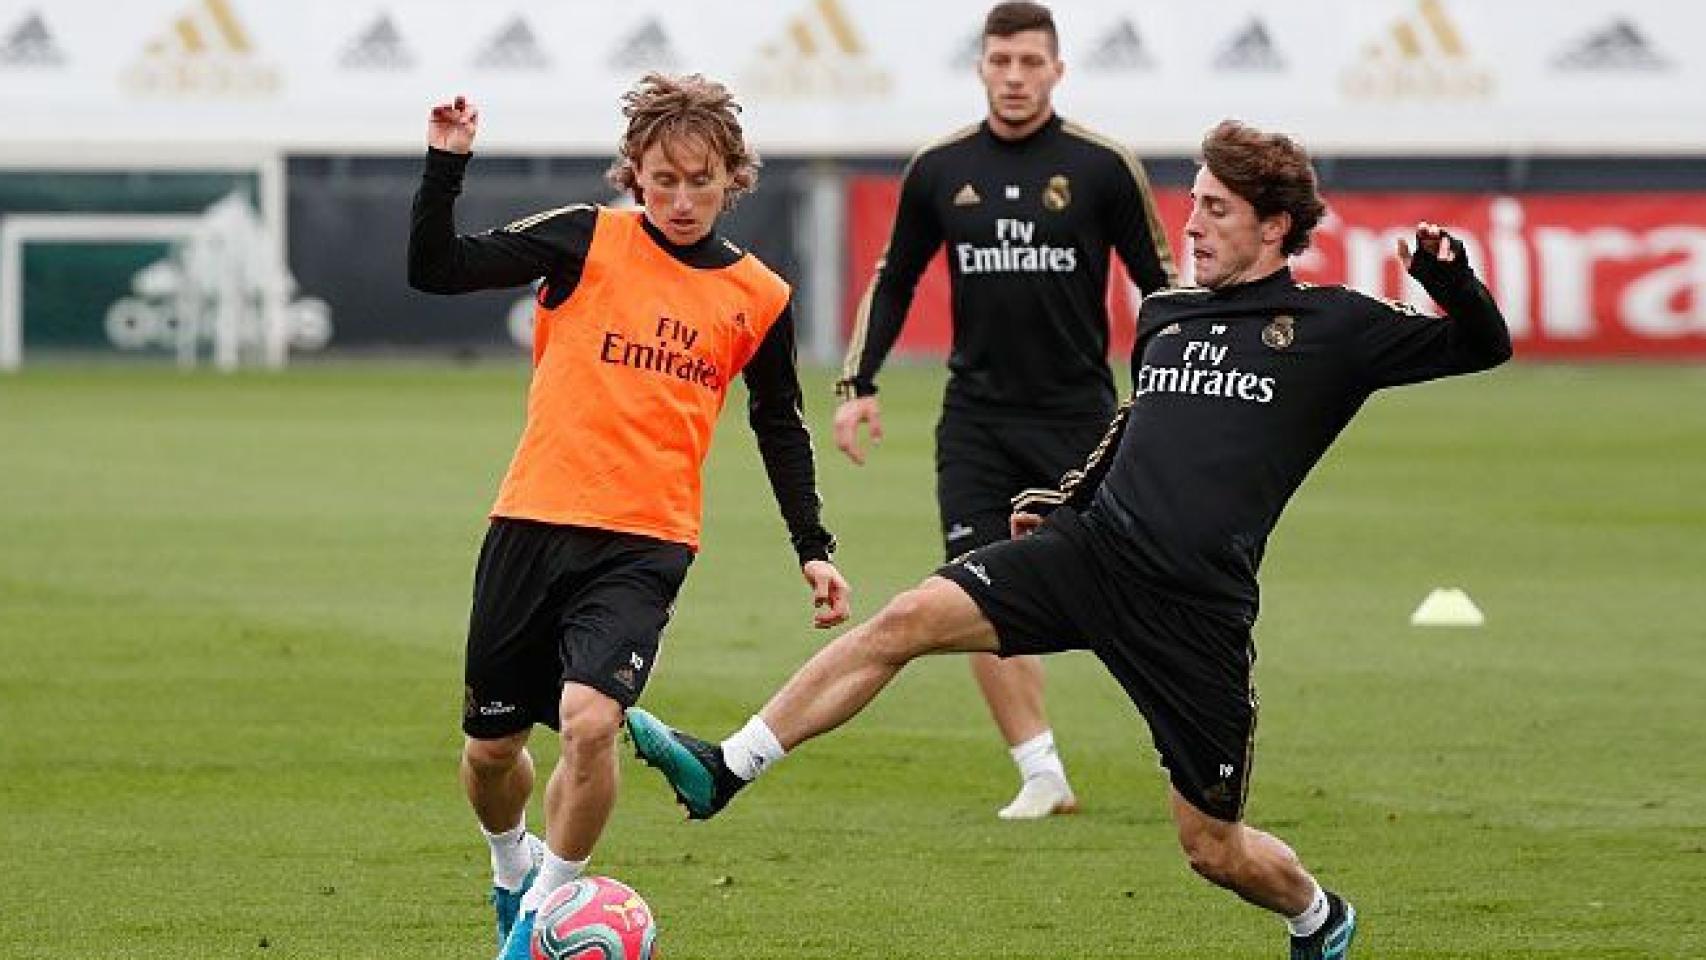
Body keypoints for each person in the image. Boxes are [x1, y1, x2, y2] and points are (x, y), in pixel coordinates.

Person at [627, 118, 1513, 959]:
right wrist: (1065, 498)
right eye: (1194, 200)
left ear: (1276, 224)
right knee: (905, 619)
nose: (1191, 224)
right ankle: (726, 768)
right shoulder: (1168, 313)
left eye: (1216, 209)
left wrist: (1447, 277)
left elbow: (1483, 346)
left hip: (1194, 610)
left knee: (1213, 848)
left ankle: (1320, 915)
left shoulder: (1334, 328)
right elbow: (1140, 423)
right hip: (1090, 552)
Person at [406, 74, 851, 960]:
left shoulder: (759, 295)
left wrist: (814, 546)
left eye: (701, 180)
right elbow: (436, 269)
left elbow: (779, 426)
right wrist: (444, 165)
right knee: (491, 752)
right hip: (531, 523)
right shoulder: (584, 239)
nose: (682, 200)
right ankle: (509, 867)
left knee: (588, 720)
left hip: (647, 543)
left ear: (734, 176)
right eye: (663, 181)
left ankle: (542, 917)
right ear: (633, 175)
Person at [834, 0, 1175, 819]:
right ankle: (1040, 770)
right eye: (1000, 62)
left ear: (1057, 70)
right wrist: (858, 386)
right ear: (981, 67)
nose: (1015, 78)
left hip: (1081, 425)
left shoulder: (1102, 166)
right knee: (976, 590)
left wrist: (1172, 390)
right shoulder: (940, 168)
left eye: (1030, 63)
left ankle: (1190, 747)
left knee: (1129, 593)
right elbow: (895, 277)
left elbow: (1160, 285)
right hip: (977, 424)